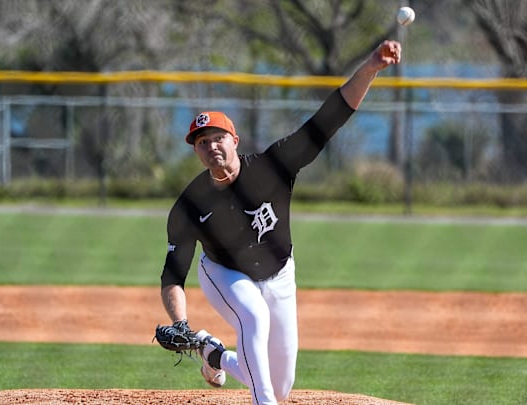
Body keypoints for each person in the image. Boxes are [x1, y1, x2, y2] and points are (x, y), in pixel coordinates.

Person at [159, 40, 402, 405]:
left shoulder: (273, 167)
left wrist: (369, 68)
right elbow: (172, 276)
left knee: (281, 381)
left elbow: (329, 119)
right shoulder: (190, 205)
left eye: (218, 137)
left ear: (235, 140)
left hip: (280, 273)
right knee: (253, 318)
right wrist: (180, 321)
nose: (211, 146)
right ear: (196, 151)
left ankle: (213, 354)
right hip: (224, 273)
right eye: (202, 142)